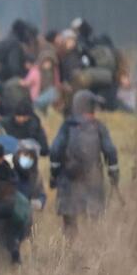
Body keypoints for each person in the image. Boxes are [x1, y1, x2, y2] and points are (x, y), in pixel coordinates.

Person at [49, 90, 119, 233]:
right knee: (94, 221)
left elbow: (55, 149)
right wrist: (114, 173)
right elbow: (110, 150)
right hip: (93, 179)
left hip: (69, 179)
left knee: (70, 223)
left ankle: (69, 250)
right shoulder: (99, 127)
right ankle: (93, 249)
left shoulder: (67, 126)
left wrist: (54, 172)